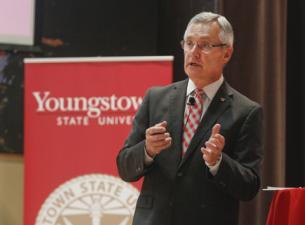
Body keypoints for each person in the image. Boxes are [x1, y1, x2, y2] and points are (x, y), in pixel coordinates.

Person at [116, 11, 263, 225]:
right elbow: (125, 167)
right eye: (189, 43)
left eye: (204, 45)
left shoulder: (245, 111)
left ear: (226, 53)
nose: (193, 52)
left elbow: (249, 186)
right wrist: (147, 150)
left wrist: (218, 162)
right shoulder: (155, 98)